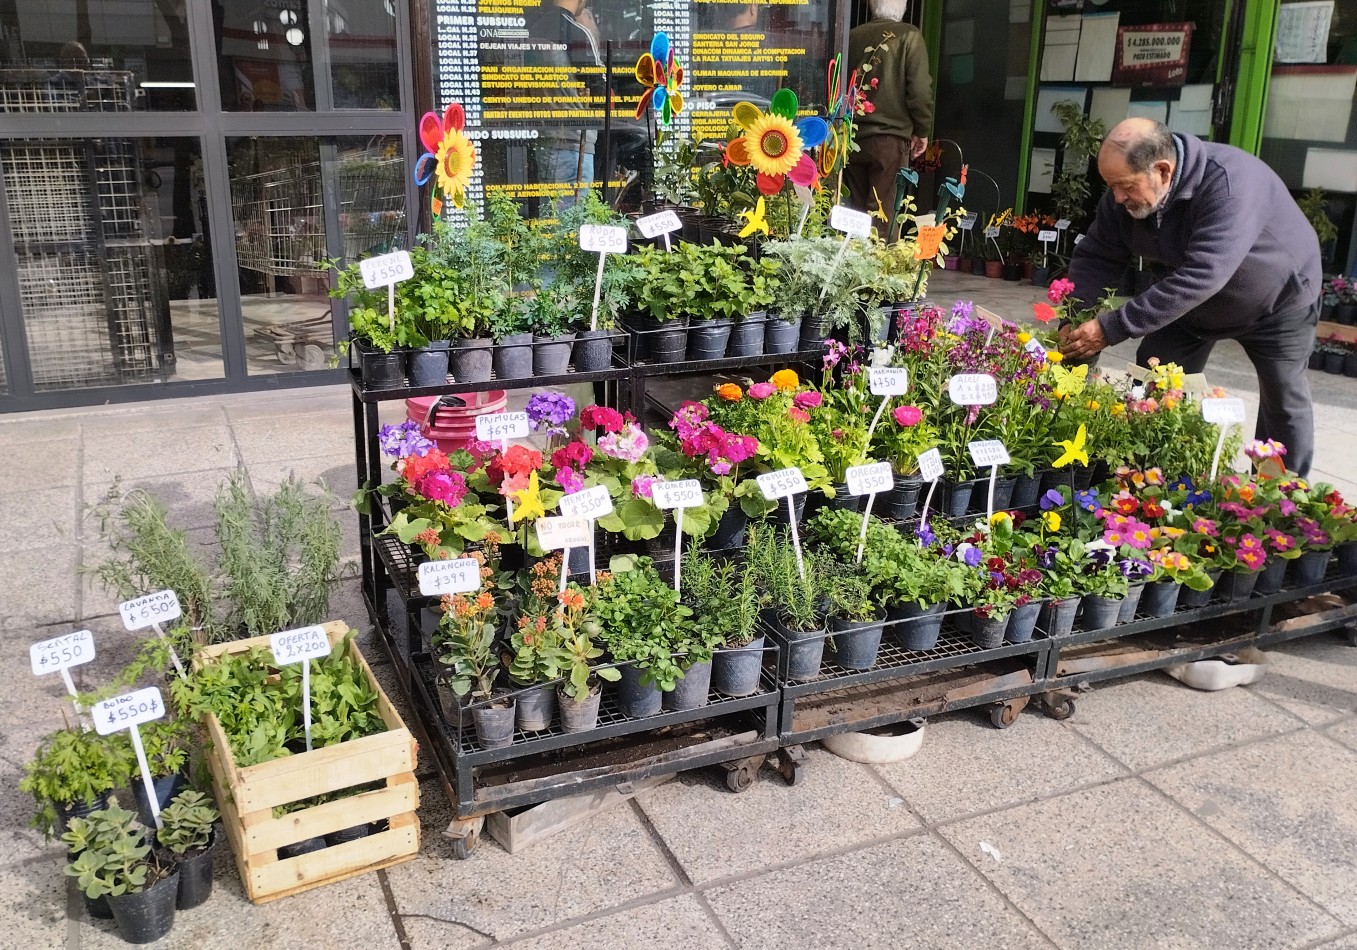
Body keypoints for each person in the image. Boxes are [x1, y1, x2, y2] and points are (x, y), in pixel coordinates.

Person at [1060, 118, 1323, 476]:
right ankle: (1145, 479)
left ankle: (1281, 498)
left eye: (1124, 186)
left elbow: (1204, 274)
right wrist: (1075, 317)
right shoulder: (1122, 199)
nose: (1117, 197)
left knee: (1283, 399)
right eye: (1111, 186)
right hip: (1191, 307)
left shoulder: (1229, 182)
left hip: (1277, 301)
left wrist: (1112, 327)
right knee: (1154, 381)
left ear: (1163, 170)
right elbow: (1098, 255)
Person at [844, 0, 933, 228]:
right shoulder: (909, 35)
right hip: (889, 141)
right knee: (882, 215)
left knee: (854, 213)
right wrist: (922, 130)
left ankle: (851, 261)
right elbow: (920, 91)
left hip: (851, 137)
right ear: (902, 8)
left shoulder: (851, 36)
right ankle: (878, 263)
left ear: (873, 7)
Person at [524, 0, 605, 210]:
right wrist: (592, 34)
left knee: (550, 216)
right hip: (574, 141)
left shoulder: (534, 29)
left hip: (545, 138)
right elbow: (602, 93)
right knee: (572, 222)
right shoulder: (575, 31)